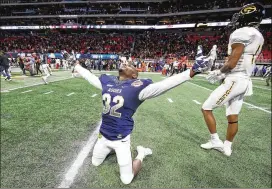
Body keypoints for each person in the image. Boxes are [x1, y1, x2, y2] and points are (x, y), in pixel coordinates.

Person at [73, 45, 213, 185]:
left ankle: (141, 153)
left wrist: (192, 71)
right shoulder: (108, 82)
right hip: (103, 136)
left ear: (134, 76)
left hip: (121, 140)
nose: (126, 64)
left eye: (130, 65)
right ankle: (110, 150)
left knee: (126, 180)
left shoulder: (139, 90)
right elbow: (89, 76)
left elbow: (165, 85)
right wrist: (78, 66)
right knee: (95, 162)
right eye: (126, 63)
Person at [201, 2, 265, 156]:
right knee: (232, 116)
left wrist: (219, 72)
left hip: (235, 79)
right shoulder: (258, 35)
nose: (237, 18)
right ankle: (227, 147)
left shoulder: (242, 32)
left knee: (206, 107)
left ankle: (215, 140)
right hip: (244, 80)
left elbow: (233, 62)